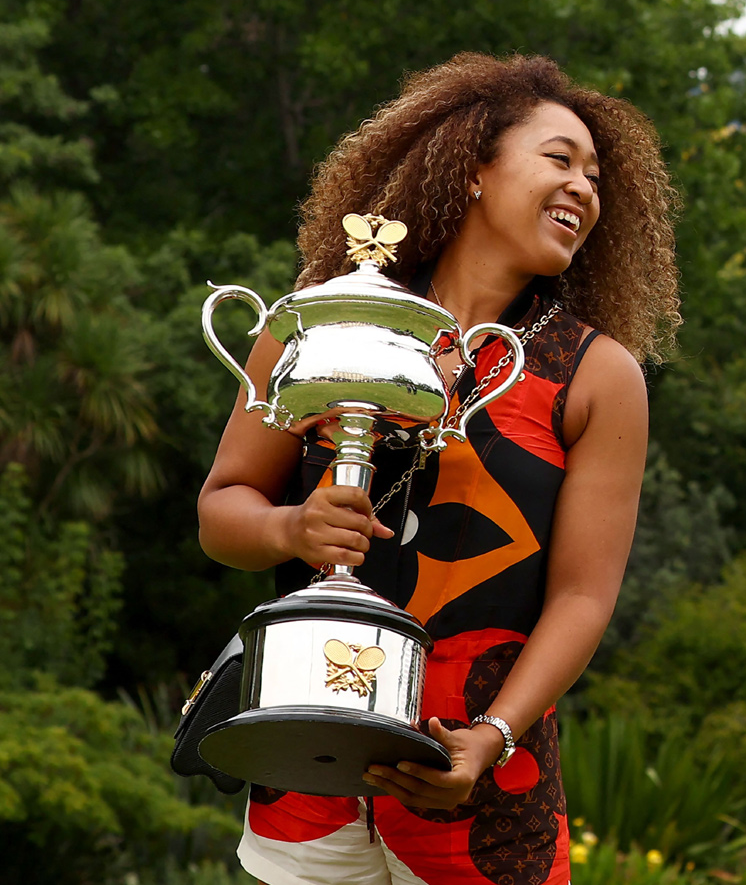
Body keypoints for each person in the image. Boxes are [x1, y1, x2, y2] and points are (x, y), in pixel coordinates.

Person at [197, 52, 680, 885]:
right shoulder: (324, 319)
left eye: (597, 177)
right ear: (474, 172)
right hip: (304, 761)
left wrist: (490, 740)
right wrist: (289, 525)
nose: (584, 189)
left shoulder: (599, 377)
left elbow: (582, 596)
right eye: (559, 160)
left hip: (481, 787)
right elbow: (221, 513)